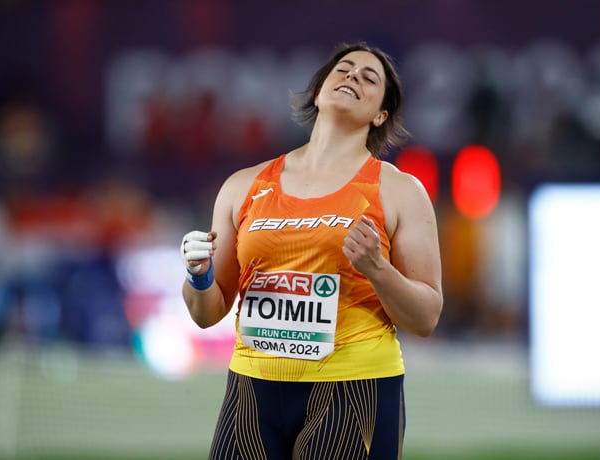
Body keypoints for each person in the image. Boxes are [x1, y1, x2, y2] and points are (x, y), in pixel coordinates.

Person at [181, 42, 443, 460]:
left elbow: (426, 317)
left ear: (381, 115)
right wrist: (199, 276)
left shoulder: (399, 191)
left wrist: (378, 268)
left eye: (368, 77)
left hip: (353, 390)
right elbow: (208, 311)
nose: (353, 77)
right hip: (252, 389)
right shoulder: (242, 186)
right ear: (318, 92)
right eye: (344, 69)